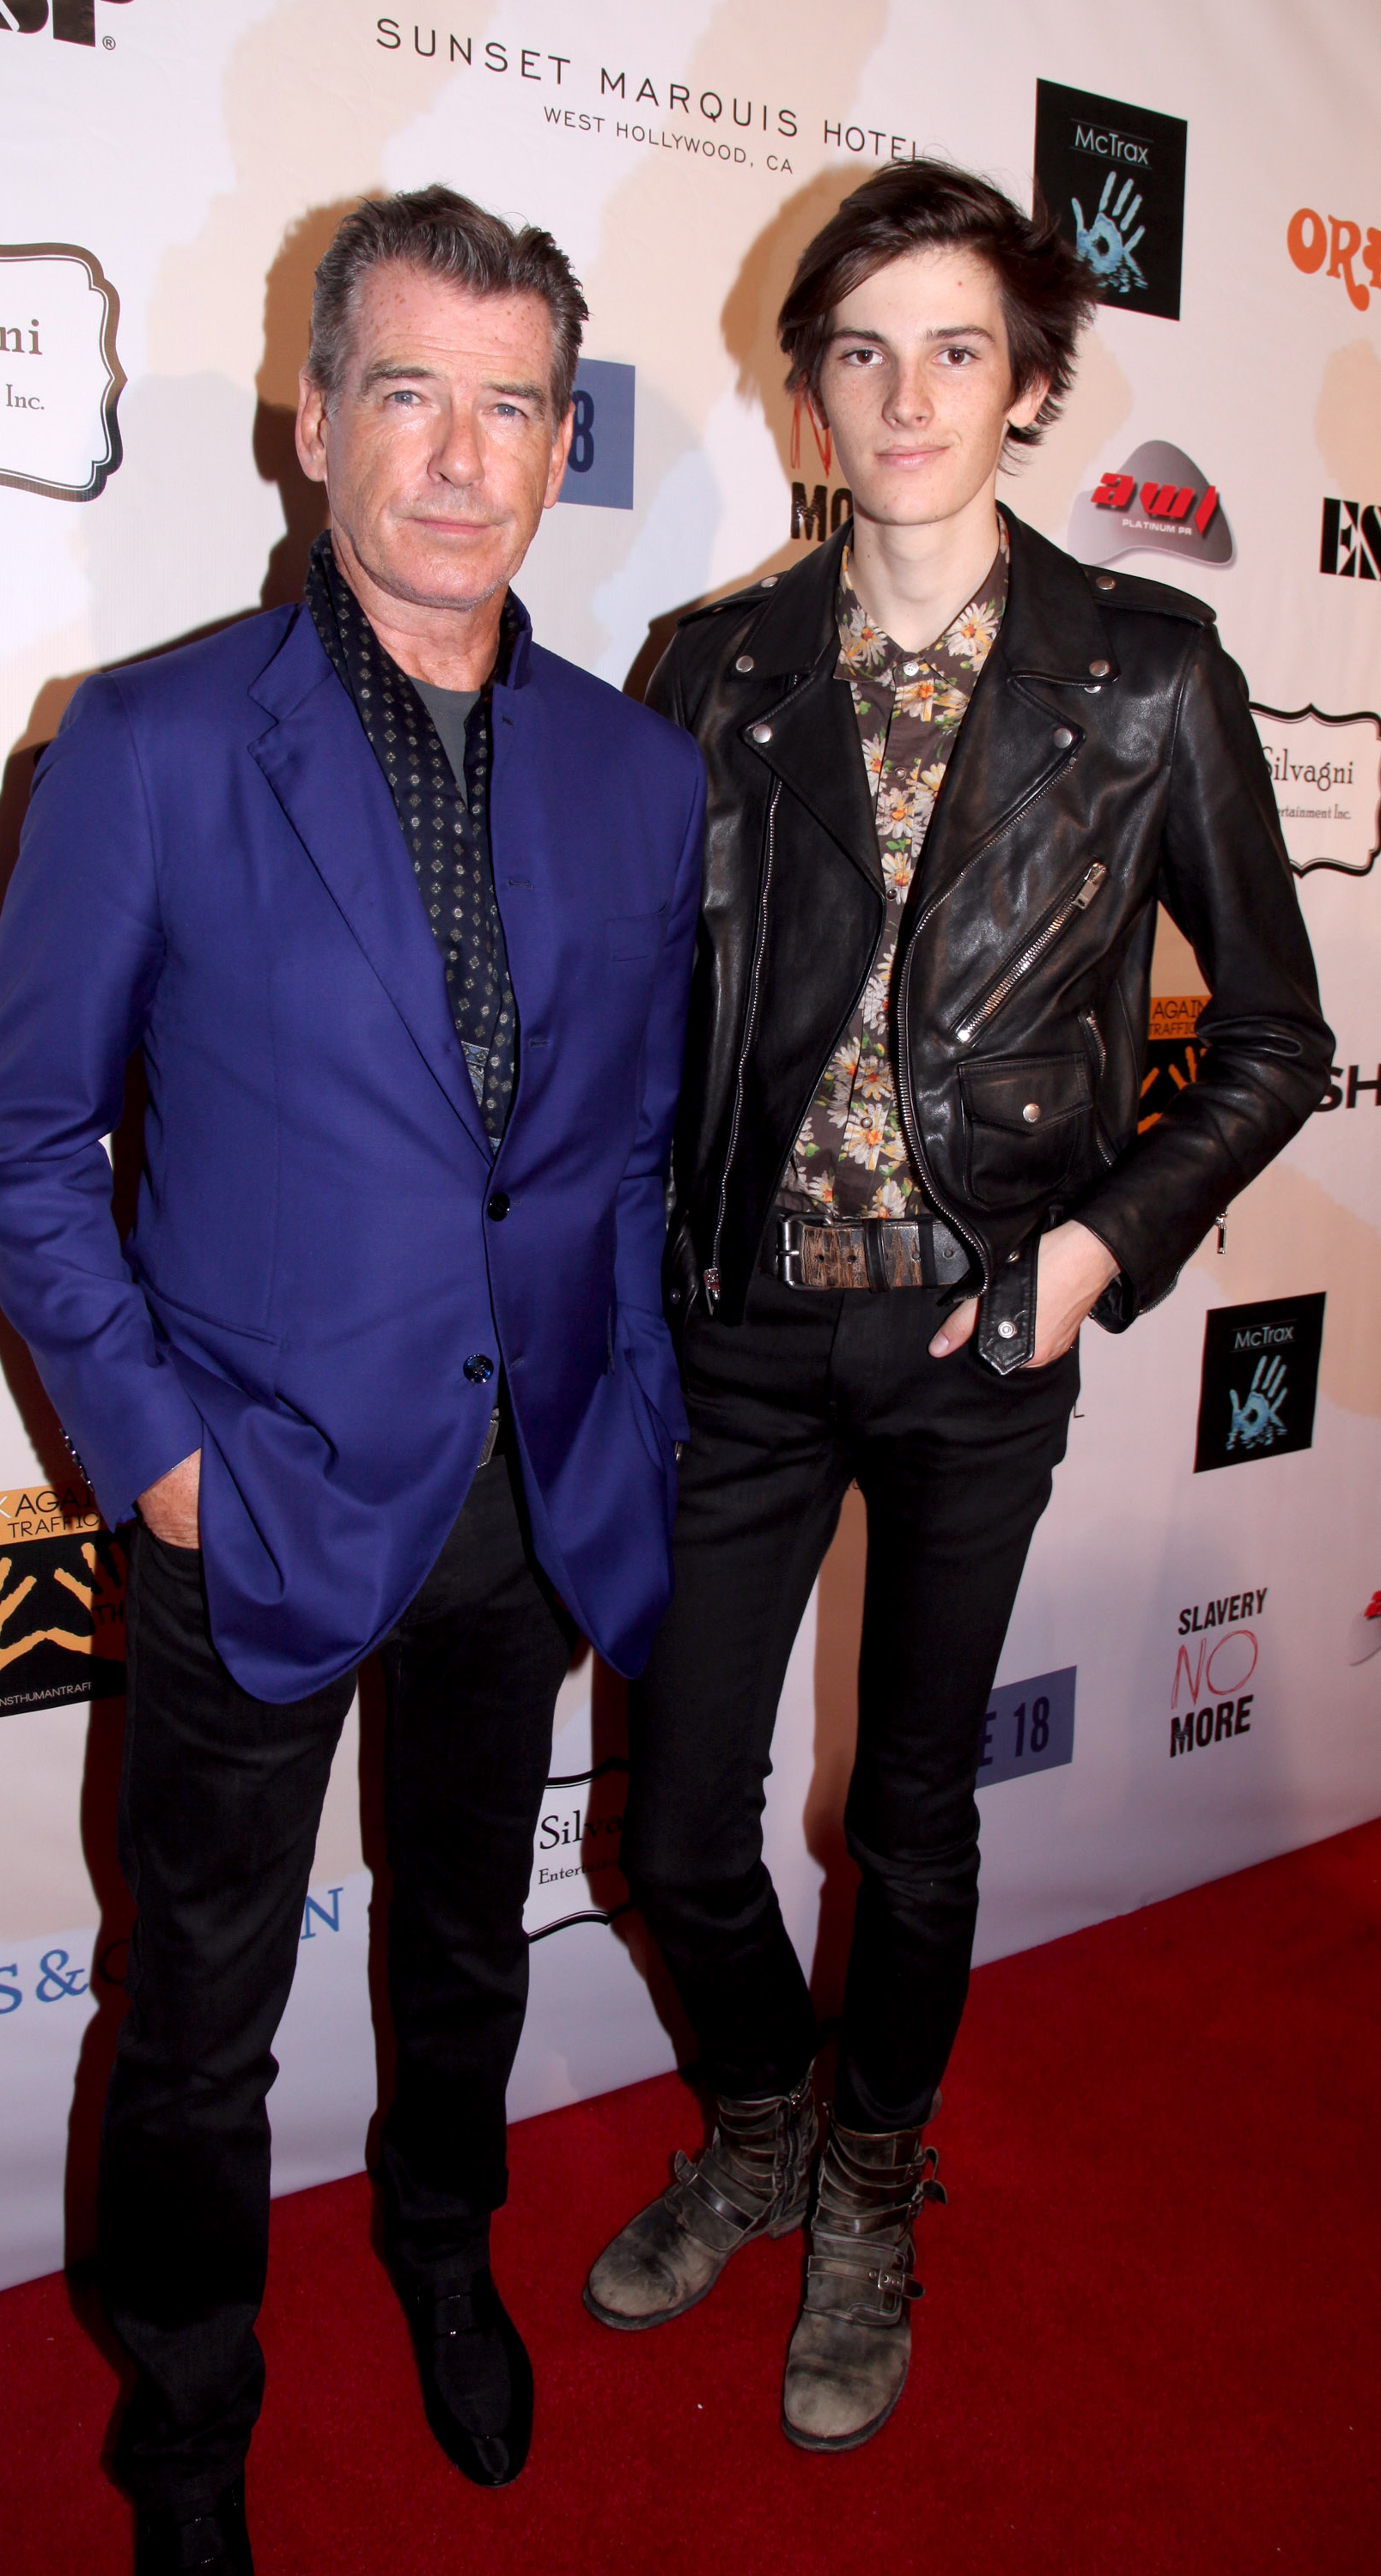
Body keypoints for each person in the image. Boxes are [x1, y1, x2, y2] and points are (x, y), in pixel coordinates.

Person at [0, 187, 704, 2571]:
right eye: (410, 391)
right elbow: (18, 1143)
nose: (463, 458)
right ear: (313, 424)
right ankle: (183, 2421)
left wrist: (631, 1425)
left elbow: (624, 1149)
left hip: (530, 1499)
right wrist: (153, 1457)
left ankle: (434, 2243)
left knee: (468, 1941)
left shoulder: (634, 774)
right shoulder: (154, 741)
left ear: (558, 440)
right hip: (252, 1497)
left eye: (513, 404)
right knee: (194, 2016)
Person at [584, 161, 1331, 2452]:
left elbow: (1276, 1039)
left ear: (1024, 387)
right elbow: (640, 1017)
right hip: (732, 1327)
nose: (903, 392)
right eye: (858, 348)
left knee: (905, 1816)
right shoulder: (710, 669)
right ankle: (752, 2125)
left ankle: (873, 2190)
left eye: (952, 346)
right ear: (805, 391)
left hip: (977, 1341)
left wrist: (1091, 1256)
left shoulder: (1143, 674)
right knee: (677, 1822)